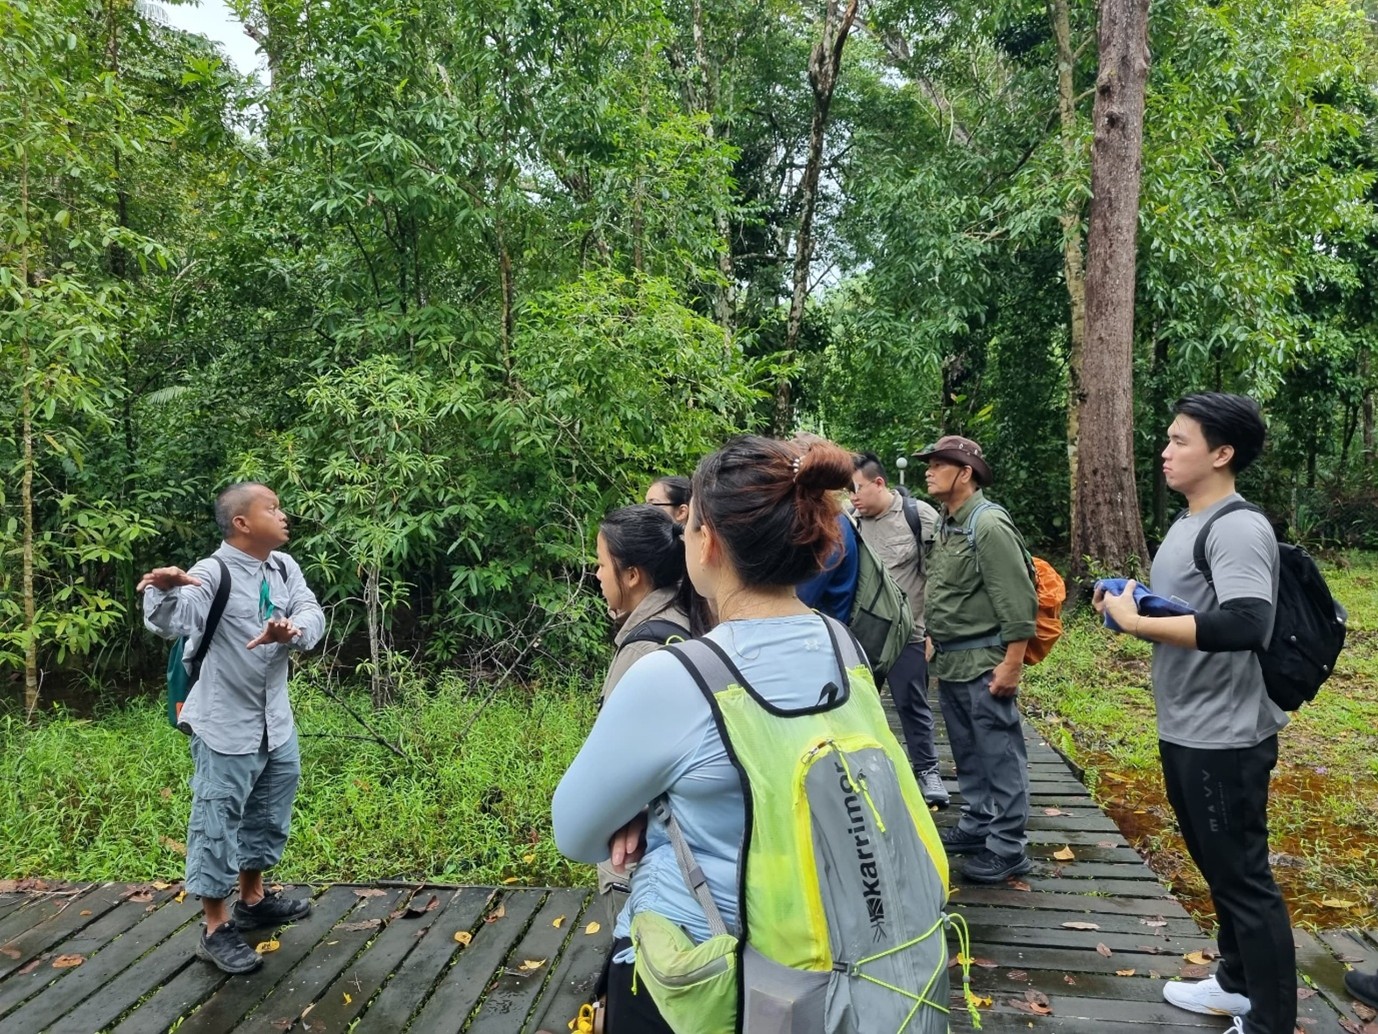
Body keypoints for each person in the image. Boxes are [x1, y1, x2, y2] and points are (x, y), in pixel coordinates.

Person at [553, 436, 949, 1034]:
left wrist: (645, 807)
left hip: (700, 981)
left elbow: (575, 833)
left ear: (708, 541)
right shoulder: (842, 646)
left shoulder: (675, 677)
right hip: (825, 971)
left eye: (688, 525)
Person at [1095, 393, 1294, 1034]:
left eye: (1180, 440)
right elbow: (1195, 609)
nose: (1166, 451)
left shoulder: (1236, 527)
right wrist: (1137, 606)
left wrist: (1136, 623)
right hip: (1187, 723)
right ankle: (1236, 985)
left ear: (1222, 453)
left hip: (1225, 734)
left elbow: (1247, 624)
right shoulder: (1190, 520)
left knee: (1243, 878)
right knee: (1218, 866)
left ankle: (1270, 1022)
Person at [139, 482, 325, 975]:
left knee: (267, 811)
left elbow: (311, 611)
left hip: (275, 721)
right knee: (216, 819)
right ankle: (216, 926)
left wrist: (293, 630)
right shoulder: (210, 572)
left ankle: (253, 900)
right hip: (225, 723)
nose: (283, 516)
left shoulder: (284, 567)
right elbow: (173, 621)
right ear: (242, 523)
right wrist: (165, 588)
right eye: (273, 508)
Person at [920, 435, 1038, 883]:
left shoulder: (988, 524)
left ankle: (1008, 847)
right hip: (952, 661)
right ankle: (978, 822)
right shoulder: (948, 523)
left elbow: (1017, 599)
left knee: (999, 753)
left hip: (985, 661)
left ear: (965, 473)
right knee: (968, 750)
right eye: (929, 464)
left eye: (938, 464)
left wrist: (1013, 663)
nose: (929, 470)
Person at [592, 503, 709, 925]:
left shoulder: (643, 649)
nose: (597, 575)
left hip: (642, 861)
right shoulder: (689, 617)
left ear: (632, 575)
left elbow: (613, 766)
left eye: (601, 564)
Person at [848, 452, 948, 808]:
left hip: (909, 632)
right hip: (863, 637)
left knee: (912, 703)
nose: (852, 497)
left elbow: (939, 575)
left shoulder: (918, 516)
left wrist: (935, 629)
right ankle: (865, 773)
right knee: (860, 707)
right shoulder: (849, 521)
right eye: (848, 490)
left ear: (879, 483)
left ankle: (927, 770)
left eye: (857, 488)